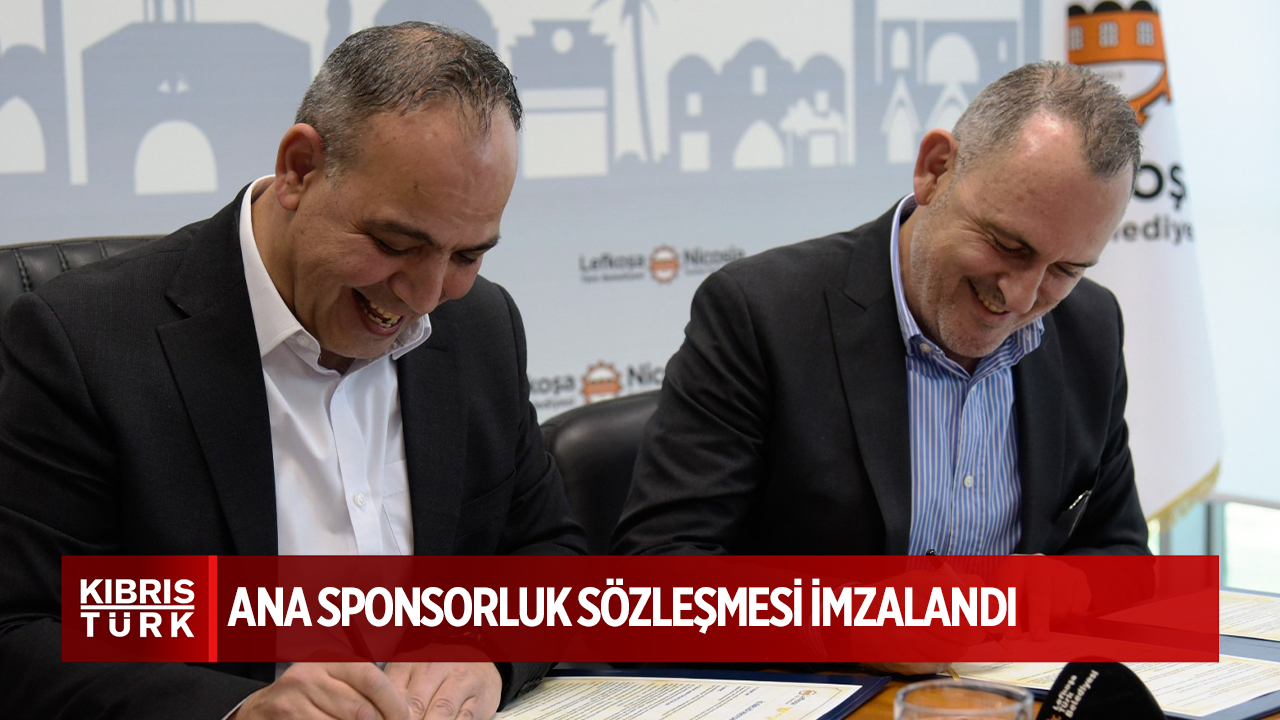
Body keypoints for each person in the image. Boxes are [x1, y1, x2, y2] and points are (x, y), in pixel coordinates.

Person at [0, 22, 584, 720]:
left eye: (466, 256)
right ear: (300, 169)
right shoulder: (83, 343)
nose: (427, 297)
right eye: (396, 243)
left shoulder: (481, 327)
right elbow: (22, 633)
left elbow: (548, 553)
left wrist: (487, 647)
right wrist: (241, 710)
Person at [614, 61, 1148, 560]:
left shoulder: (1091, 328)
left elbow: (1118, 554)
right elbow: (660, 568)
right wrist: (881, 619)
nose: (1023, 298)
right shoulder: (761, 316)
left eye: (1066, 270)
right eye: (1008, 245)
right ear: (936, 170)